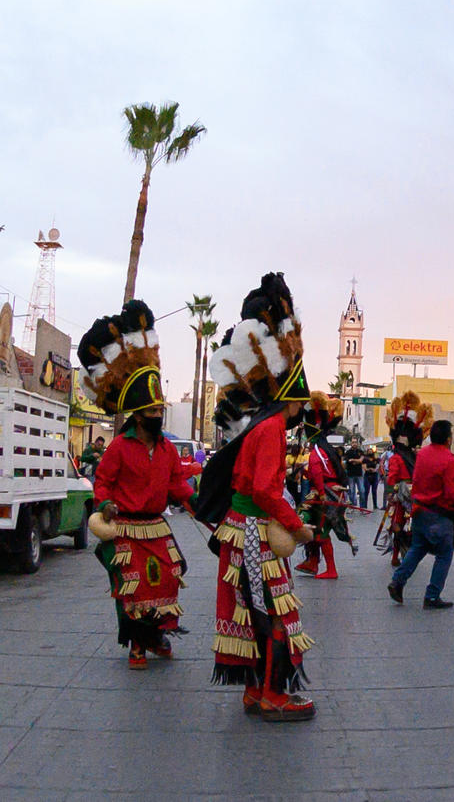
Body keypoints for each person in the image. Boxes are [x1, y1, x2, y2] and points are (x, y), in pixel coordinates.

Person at [196, 272, 319, 721]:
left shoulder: (262, 427)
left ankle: (254, 690)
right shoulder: (270, 431)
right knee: (270, 615)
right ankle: (271, 694)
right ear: (294, 398)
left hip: (243, 530)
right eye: (301, 403)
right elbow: (267, 490)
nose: (303, 411)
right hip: (254, 535)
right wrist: (296, 525)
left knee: (251, 612)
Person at [78, 300, 195, 670]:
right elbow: (103, 484)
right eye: (152, 412)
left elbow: (178, 487)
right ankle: (137, 645)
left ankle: (157, 634)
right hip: (127, 527)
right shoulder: (118, 447)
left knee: (169, 581)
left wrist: (202, 507)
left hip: (157, 527)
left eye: (160, 411)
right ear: (137, 415)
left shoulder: (165, 449)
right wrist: (105, 505)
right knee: (134, 586)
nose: (158, 416)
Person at [388, 419, 454, 609]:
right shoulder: (450, 459)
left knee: (418, 548)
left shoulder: (422, 454)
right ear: (448, 439)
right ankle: (432, 596)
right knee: (444, 555)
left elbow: (428, 475)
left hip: (419, 510)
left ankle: (397, 582)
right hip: (439, 514)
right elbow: (451, 493)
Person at [296, 392, 353, 580]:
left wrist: (320, 493)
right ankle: (312, 562)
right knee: (314, 530)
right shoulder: (325, 449)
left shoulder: (317, 453)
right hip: (330, 494)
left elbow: (319, 474)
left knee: (321, 533)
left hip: (326, 496)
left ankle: (331, 569)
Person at [382, 392, 432, 566]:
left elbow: (392, 477)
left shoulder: (396, 457)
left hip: (400, 496)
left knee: (397, 524)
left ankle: (396, 556)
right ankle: (407, 553)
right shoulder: (417, 457)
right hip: (416, 495)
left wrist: (389, 493)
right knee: (412, 525)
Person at [343, 440, 365, 507]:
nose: (354, 444)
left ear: (357, 443)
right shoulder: (347, 452)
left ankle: (362, 507)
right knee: (351, 491)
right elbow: (348, 461)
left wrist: (353, 460)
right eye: (353, 442)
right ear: (351, 443)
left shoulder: (360, 452)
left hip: (359, 474)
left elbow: (361, 460)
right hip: (350, 474)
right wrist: (357, 461)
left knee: (362, 491)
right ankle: (353, 506)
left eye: (356, 442)